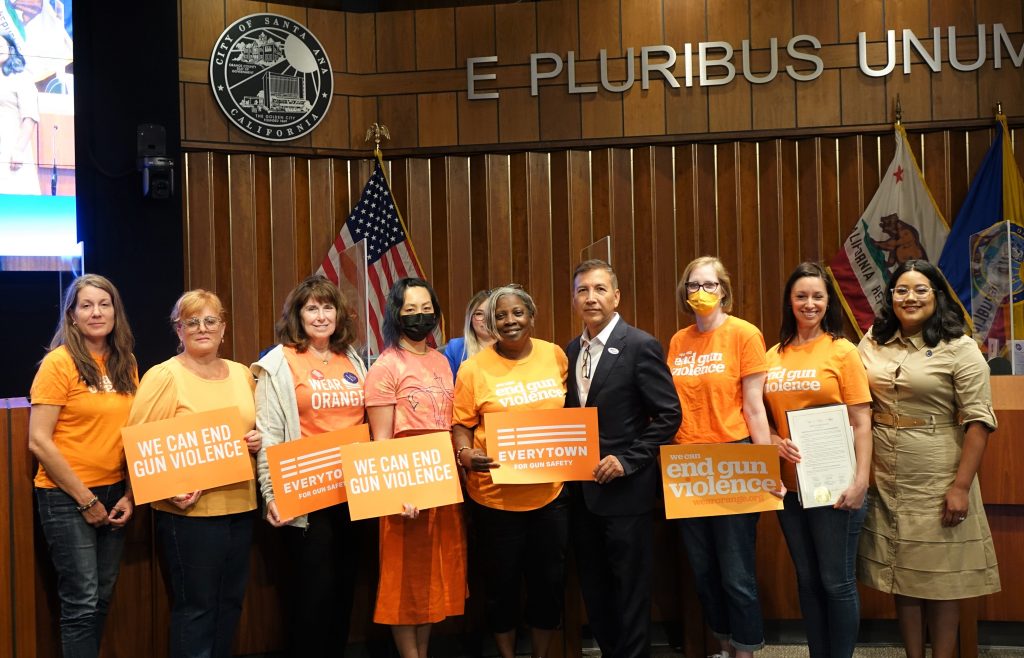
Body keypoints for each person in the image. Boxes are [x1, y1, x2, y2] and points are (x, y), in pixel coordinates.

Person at [857, 259, 1000, 658]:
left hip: (939, 473)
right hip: (885, 472)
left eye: (921, 290)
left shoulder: (960, 347)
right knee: (901, 573)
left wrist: (960, 487)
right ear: (890, 297)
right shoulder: (872, 340)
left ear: (937, 295)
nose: (910, 297)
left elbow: (979, 422)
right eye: (901, 290)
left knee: (940, 578)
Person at [127, 289, 262, 658]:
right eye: (192, 322)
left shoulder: (242, 374)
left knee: (231, 604)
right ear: (178, 330)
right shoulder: (164, 376)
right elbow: (140, 445)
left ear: (223, 328)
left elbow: (255, 426)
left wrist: (256, 439)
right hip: (190, 516)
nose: (202, 328)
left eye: (210, 320)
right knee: (197, 610)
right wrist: (168, 490)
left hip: (241, 507)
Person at [565, 260, 681, 658]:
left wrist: (627, 460)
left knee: (630, 590)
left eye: (600, 289)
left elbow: (669, 415)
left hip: (626, 492)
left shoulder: (639, 345)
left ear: (616, 296)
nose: (591, 297)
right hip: (582, 493)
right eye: (583, 290)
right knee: (595, 590)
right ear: (574, 298)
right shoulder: (570, 350)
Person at [252, 274, 367, 657]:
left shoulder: (352, 358)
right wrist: (271, 493)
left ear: (339, 314)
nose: (320, 316)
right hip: (306, 493)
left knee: (344, 589)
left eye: (327, 307)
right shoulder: (278, 362)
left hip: (353, 492)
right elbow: (268, 432)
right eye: (311, 308)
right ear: (297, 316)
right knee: (312, 595)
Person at [452, 285, 570, 658]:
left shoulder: (555, 356)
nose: (509, 321)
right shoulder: (473, 369)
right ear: (489, 323)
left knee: (548, 585)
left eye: (517, 313)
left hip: (550, 495)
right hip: (494, 498)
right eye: (500, 315)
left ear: (531, 316)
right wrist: (465, 453)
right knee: (500, 588)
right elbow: (461, 424)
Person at [763, 262, 872, 658]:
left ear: (829, 302)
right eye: (801, 296)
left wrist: (861, 481)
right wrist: (774, 441)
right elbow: (762, 419)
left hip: (835, 487)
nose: (809, 304)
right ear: (789, 302)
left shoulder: (842, 351)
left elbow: (862, 422)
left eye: (817, 296)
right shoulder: (772, 354)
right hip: (789, 490)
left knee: (836, 582)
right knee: (807, 581)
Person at [666, 256, 771, 658]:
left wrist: (766, 467)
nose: (701, 293)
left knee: (736, 571)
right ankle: (725, 645)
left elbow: (755, 407)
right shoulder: (679, 341)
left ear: (724, 291)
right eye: (693, 285)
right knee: (704, 569)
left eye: (709, 285)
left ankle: (745, 650)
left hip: (733, 457)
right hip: (687, 462)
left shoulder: (744, 335)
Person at [28, 274, 137, 658]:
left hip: (115, 494)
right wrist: (86, 500)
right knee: (81, 602)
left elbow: (133, 431)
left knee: (101, 598)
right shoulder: (58, 364)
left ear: (115, 312)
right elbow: (38, 440)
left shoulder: (126, 361)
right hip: (66, 497)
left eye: (104, 304)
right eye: (86, 305)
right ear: (72, 315)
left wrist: (130, 493)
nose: (96, 312)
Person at [364, 277, 466, 658]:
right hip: (404, 487)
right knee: (404, 579)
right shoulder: (386, 366)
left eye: (426, 309)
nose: (420, 317)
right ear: (395, 314)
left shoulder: (441, 360)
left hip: (441, 483)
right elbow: (381, 441)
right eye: (410, 310)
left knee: (431, 578)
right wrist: (396, 494)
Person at [0, 33, 41, 194]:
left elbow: (30, 116)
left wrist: (19, 150)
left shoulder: (21, 77)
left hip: (12, 148)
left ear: (11, 50)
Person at [443, 289, 494, 378]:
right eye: (479, 314)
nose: (487, 319)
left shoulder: (511, 347)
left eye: (492, 313)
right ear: (470, 318)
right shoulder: (455, 348)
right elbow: (447, 387)